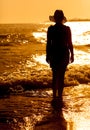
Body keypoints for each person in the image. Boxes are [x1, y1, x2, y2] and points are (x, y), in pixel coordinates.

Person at [46, 10, 74, 108]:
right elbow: (69, 43)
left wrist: (47, 55)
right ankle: (60, 96)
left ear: (55, 18)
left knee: (55, 75)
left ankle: (54, 96)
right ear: (62, 18)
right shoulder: (66, 29)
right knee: (61, 76)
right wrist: (72, 54)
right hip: (63, 53)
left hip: (54, 53)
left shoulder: (51, 29)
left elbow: (49, 44)